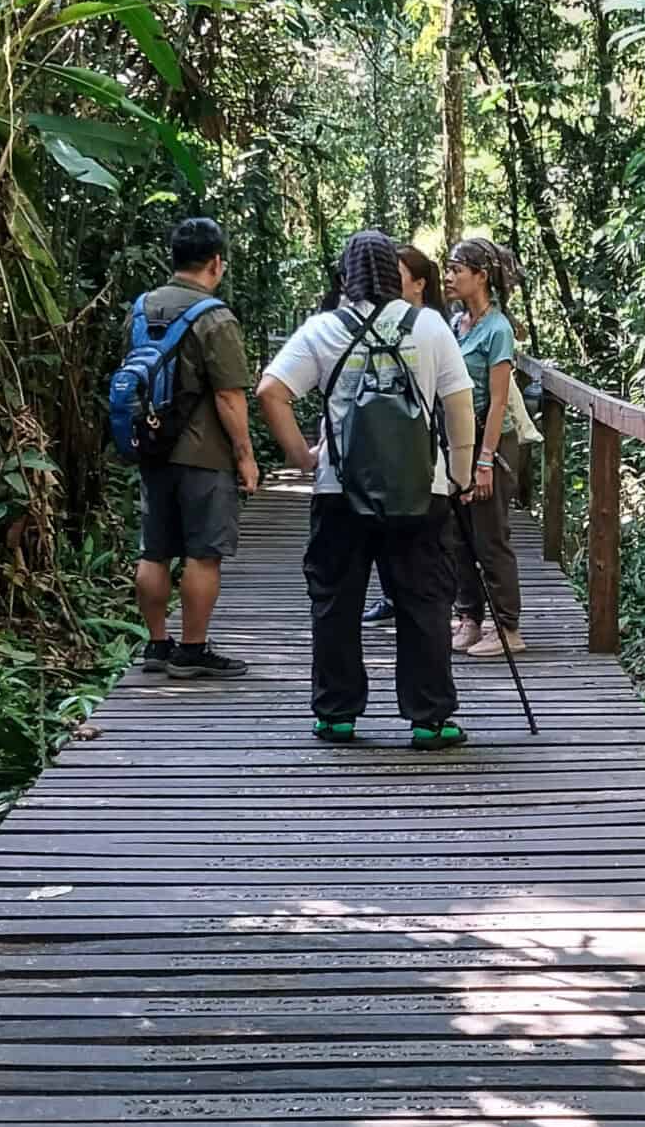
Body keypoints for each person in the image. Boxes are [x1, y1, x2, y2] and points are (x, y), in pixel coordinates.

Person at [256, 231, 477, 749]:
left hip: (340, 490)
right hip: (422, 489)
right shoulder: (429, 326)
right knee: (424, 601)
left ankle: (336, 714)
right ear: (395, 275)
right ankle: (430, 719)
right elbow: (459, 405)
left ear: (346, 277)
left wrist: (304, 457)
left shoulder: (323, 329)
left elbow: (271, 391)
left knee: (336, 600)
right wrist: (461, 474)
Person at [133, 216, 257, 678]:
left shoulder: (141, 307)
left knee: (155, 549)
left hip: (150, 446)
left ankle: (157, 645)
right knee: (203, 552)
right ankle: (192, 649)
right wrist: (245, 455)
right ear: (216, 262)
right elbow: (228, 394)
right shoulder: (214, 316)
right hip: (203, 454)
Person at [446, 236, 524, 658]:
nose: (450, 276)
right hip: (458, 438)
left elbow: (497, 400)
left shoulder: (498, 329)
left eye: (458, 269)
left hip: (489, 440)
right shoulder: (456, 324)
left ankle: (507, 627)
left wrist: (485, 461)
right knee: (458, 534)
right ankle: (470, 618)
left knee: (490, 535)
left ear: (481, 276)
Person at [367, 244, 447, 628]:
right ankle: (390, 597)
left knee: (424, 550)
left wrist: (465, 463)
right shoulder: (368, 320)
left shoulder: (430, 323)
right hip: (379, 452)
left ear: (418, 283)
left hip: (422, 453)